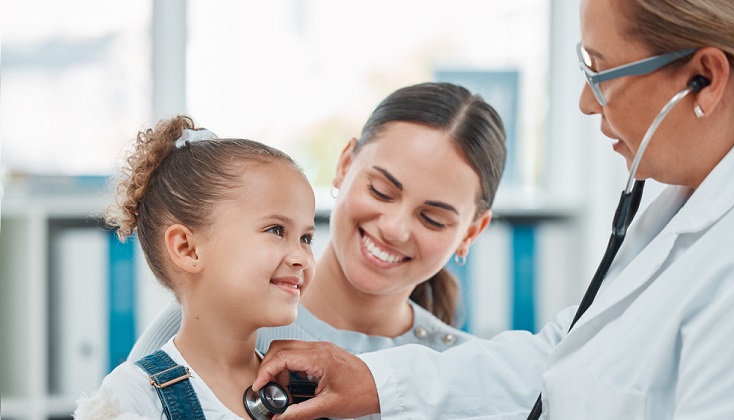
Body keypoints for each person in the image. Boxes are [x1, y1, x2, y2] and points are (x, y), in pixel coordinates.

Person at [251, 0, 734, 419]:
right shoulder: (679, 216)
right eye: (383, 191)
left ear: (704, 79)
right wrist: (373, 379)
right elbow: (558, 357)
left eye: (600, 72)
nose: (584, 102)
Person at [127, 82, 508, 361]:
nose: (394, 228)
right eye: (380, 191)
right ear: (344, 166)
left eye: (432, 218)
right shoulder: (218, 316)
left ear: (471, 232)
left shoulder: (464, 370)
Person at [74, 115, 316, 419]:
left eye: (306, 237)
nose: (303, 258)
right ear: (187, 249)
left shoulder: (311, 389)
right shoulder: (133, 398)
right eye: (276, 230)